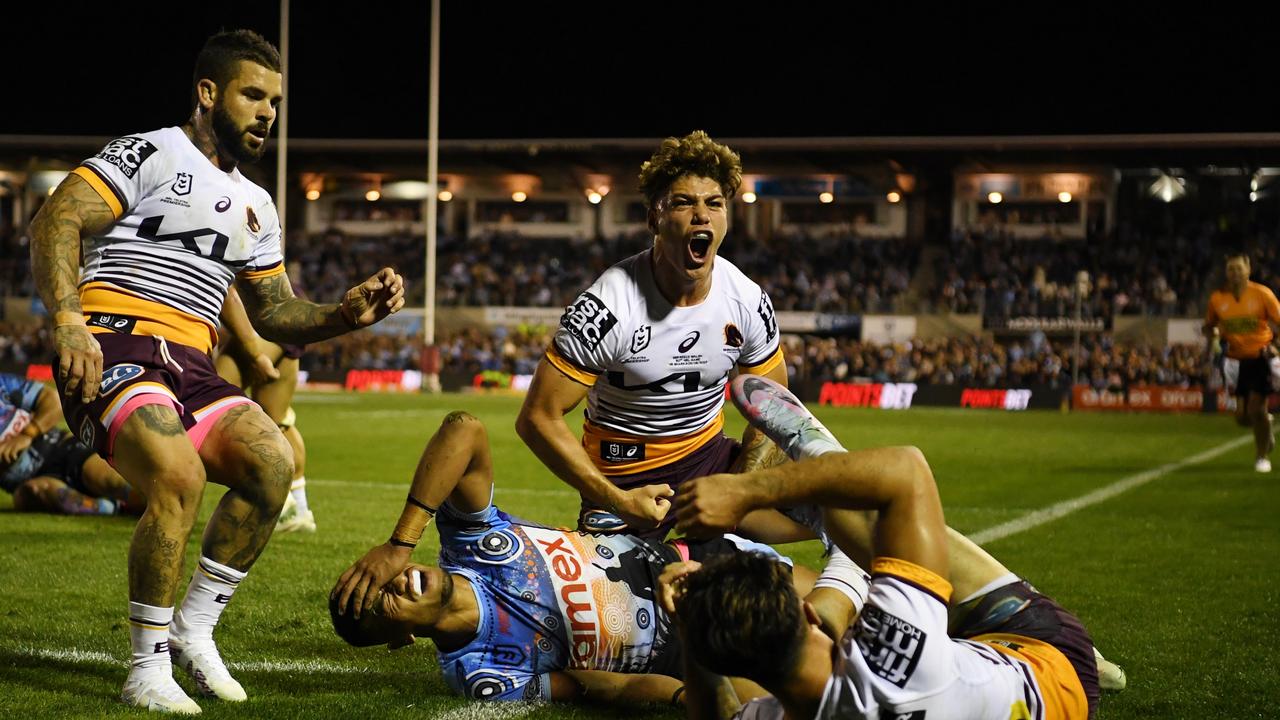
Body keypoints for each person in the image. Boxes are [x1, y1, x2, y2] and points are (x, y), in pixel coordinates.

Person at [28, 29, 404, 714]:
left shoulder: (258, 204)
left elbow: (275, 311)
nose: (268, 113)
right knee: (177, 475)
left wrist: (347, 314)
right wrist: (67, 321)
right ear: (208, 93)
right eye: (253, 95)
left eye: (276, 102)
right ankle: (145, 668)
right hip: (114, 342)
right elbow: (56, 220)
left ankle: (192, 630)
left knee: (272, 463)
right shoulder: (147, 152)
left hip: (191, 363)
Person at [663, 375, 1102, 720]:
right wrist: (750, 492)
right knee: (871, 530)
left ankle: (835, 511)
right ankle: (825, 473)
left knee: (880, 553)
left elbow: (720, 715)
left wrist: (692, 627)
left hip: (969, 685)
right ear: (810, 611)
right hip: (1052, 667)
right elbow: (906, 471)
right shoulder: (891, 655)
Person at [330, 411, 824, 706]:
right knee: (808, 692)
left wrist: (399, 544)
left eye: (380, 578)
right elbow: (598, 687)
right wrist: (681, 694)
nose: (394, 583)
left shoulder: (467, 541)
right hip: (690, 642)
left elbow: (465, 430)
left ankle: (830, 514)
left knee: (837, 606)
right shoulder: (480, 672)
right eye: (381, 605)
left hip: (691, 554)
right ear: (402, 638)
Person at [516, 130, 791, 540]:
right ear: (654, 219)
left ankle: (866, 591)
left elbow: (777, 410)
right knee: (622, 603)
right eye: (683, 202)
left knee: (835, 498)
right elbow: (538, 417)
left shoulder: (747, 300)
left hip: (708, 461)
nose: (702, 215)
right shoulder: (607, 306)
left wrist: (739, 490)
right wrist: (615, 499)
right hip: (624, 476)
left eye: (714, 204)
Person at [216, 286, 314, 532]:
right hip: (286, 299)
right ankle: (299, 509)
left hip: (256, 307)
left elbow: (228, 290)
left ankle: (274, 501)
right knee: (277, 418)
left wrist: (254, 351)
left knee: (212, 399)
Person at [1, 370, 142, 515]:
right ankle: (116, 509)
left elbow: (52, 401)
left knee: (107, 480)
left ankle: (156, 501)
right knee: (33, 493)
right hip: (26, 483)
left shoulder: (3, 384)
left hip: (63, 449)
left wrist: (26, 434)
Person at [1203, 253, 1280, 473]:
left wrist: (1276, 345)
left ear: (1248, 270)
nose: (1235, 273)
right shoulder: (1217, 298)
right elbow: (1209, 325)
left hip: (1259, 358)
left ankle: (1261, 457)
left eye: (1239, 268)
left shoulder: (1262, 294)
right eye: (1231, 269)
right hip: (1235, 361)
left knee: (1256, 407)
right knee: (1243, 418)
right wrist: (1213, 335)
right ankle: (1266, 429)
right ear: (1226, 272)